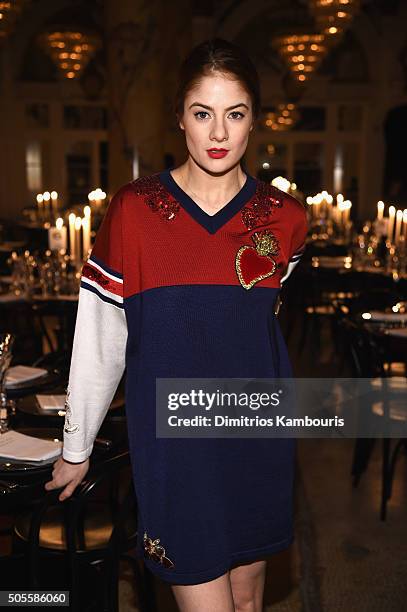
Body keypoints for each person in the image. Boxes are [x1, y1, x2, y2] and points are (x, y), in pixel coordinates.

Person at [45, 38, 308, 612]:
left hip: (258, 436)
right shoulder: (135, 211)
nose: (218, 134)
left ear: (254, 122)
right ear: (180, 119)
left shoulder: (287, 219)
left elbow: (259, 325)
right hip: (177, 449)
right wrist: (77, 442)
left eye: (234, 115)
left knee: (247, 601)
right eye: (202, 113)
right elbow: (101, 336)